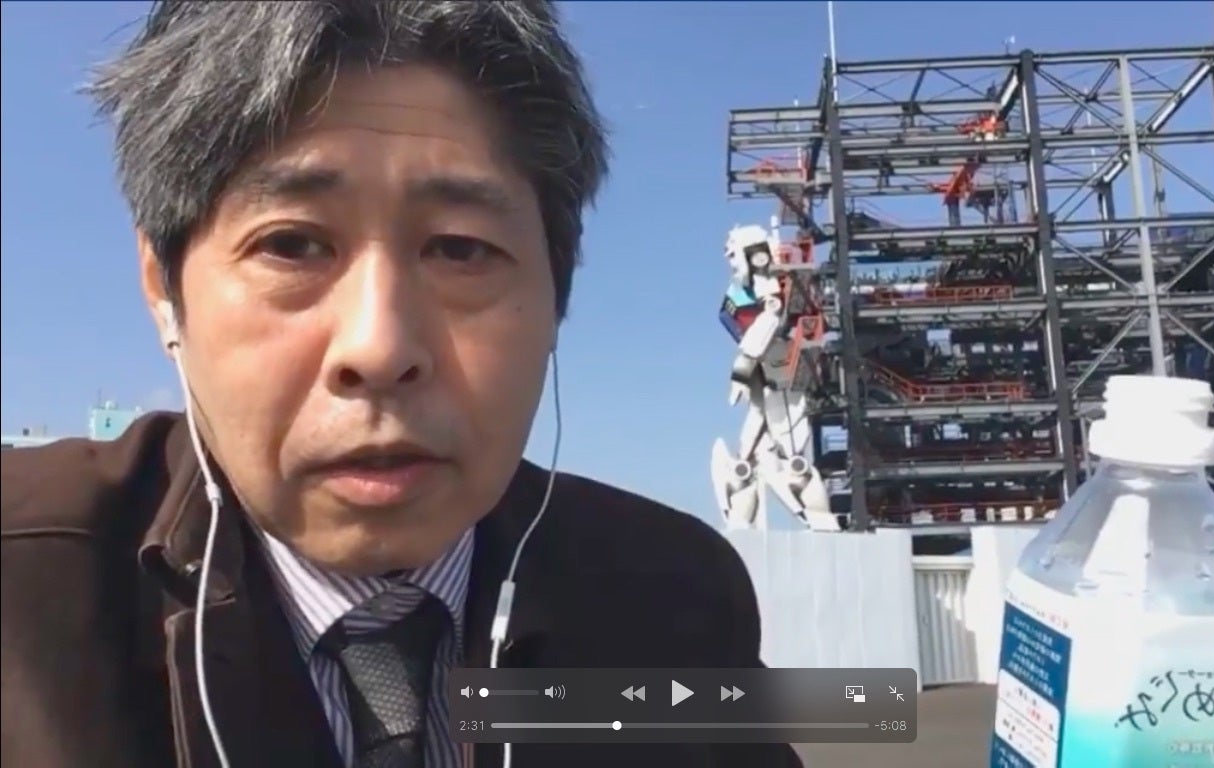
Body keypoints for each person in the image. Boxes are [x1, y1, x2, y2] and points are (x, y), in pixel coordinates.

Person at [0, 3, 802, 767]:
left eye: (460, 249)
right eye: (291, 245)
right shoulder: (23, 589)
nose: (379, 347)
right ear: (163, 288)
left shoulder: (676, 598)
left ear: (558, 289)